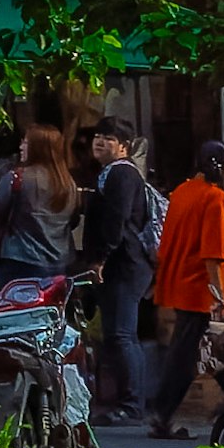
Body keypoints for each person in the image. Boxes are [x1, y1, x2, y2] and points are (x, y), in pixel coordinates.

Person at [143, 141, 224, 431]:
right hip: (199, 287)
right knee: (185, 355)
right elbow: (213, 253)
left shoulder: (182, 192)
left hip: (178, 280)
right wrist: (219, 294)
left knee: (184, 350)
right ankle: (162, 413)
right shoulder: (215, 198)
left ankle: (162, 411)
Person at [73, 121, 153, 417]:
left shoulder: (122, 173)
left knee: (122, 335)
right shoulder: (111, 173)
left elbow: (115, 222)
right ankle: (121, 400)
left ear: (124, 146)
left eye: (109, 138)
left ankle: (132, 405)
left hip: (124, 266)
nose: (99, 142)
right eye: (97, 136)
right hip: (122, 265)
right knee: (116, 334)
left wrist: (101, 260)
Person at [0, 124, 77, 293]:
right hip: (59, 262)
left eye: (26, 142)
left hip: (19, 260)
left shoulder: (18, 178)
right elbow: (73, 220)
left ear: (38, 148)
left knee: (17, 314)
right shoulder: (68, 184)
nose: (21, 147)